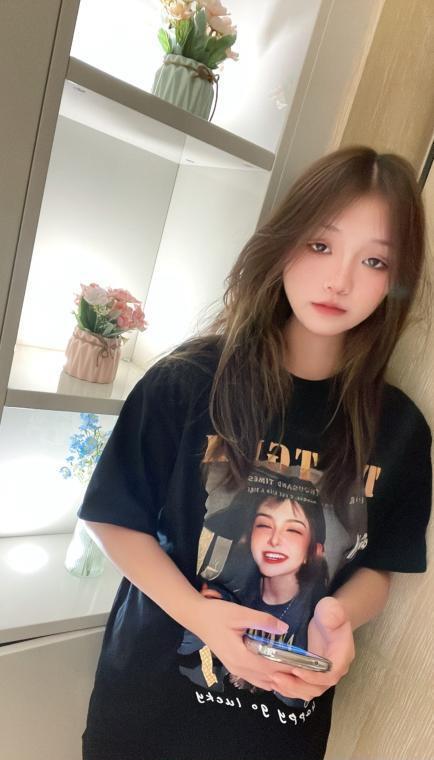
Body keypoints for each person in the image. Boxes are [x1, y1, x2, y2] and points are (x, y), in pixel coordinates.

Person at [78, 145, 432, 760]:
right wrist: (199, 615)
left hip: (280, 730)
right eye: (320, 245)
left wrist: (338, 618)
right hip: (146, 710)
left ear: (394, 282)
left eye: (374, 260)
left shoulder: (399, 428)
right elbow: (113, 518)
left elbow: (379, 568)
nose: (340, 280)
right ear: (285, 242)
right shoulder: (188, 381)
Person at [177, 468, 330, 709]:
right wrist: (198, 619)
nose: (274, 539)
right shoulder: (226, 594)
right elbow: (182, 646)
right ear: (248, 538)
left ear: (315, 551)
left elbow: (297, 699)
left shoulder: (315, 620)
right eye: (264, 525)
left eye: (292, 529)